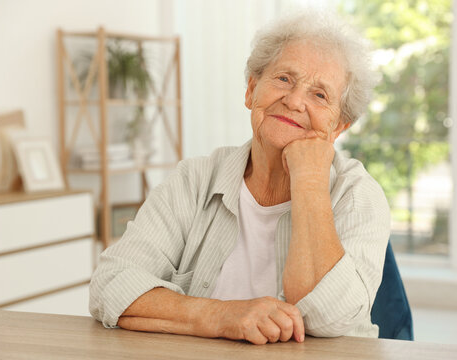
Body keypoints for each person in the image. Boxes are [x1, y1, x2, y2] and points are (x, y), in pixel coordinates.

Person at [89, 10, 390, 345]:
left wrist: (308, 181)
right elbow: (110, 286)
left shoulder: (359, 194)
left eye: (319, 95)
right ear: (251, 91)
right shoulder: (194, 179)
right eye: (284, 79)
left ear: (338, 127)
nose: (293, 101)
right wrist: (223, 315)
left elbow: (330, 316)